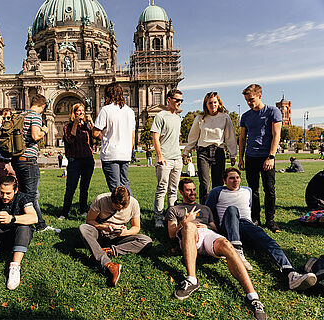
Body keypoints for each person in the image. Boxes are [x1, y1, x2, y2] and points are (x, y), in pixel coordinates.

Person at [166, 178, 266, 319]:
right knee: (189, 226)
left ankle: (253, 297)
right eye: (188, 190)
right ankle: (192, 280)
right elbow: (171, 234)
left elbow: (214, 227)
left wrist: (206, 226)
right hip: (189, 235)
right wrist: (185, 222)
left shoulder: (205, 208)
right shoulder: (174, 209)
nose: (192, 193)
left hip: (207, 234)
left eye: (194, 190)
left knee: (226, 245)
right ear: (181, 192)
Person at [206, 167, 317, 291]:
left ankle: (290, 273)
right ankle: (237, 251)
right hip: (228, 226)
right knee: (232, 209)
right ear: (224, 180)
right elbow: (207, 210)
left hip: (247, 225)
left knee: (270, 242)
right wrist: (211, 225)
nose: (235, 180)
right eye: (231, 178)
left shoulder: (247, 191)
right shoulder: (217, 191)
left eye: (237, 177)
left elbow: (249, 209)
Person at [79, 186, 152, 286]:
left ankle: (110, 251)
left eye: (122, 208)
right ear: (111, 199)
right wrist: (104, 227)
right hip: (100, 233)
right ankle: (108, 264)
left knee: (146, 240)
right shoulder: (101, 199)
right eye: (116, 207)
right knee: (83, 228)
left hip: (119, 236)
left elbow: (136, 227)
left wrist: (125, 233)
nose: (119, 209)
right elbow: (89, 221)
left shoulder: (134, 203)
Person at [11, 94, 59, 233]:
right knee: (30, 195)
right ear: (43, 106)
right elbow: (35, 135)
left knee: (24, 192)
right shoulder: (35, 116)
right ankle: (38, 225)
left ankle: (22, 221)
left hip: (17, 159)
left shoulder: (21, 115)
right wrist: (44, 130)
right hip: (28, 160)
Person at [239, 84, 282, 232]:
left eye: (251, 99)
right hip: (251, 156)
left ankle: (270, 220)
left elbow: (276, 135)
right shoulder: (245, 116)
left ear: (260, 96)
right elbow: (242, 138)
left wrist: (271, 156)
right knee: (253, 190)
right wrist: (241, 158)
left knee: (269, 189)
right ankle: (255, 218)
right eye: (246, 100)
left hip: (266, 156)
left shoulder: (273, 112)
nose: (249, 103)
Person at [183, 92, 237, 204]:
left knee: (218, 183)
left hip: (218, 151)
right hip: (203, 152)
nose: (213, 105)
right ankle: (204, 209)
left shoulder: (225, 117)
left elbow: (230, 137)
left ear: (219, 103)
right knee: (204, 183)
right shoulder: (200, 117)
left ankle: (218, 209)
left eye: (215, 102)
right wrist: (186, 151)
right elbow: (193, 136)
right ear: (206, 104)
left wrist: (233, 155)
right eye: (210, 103)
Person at [93, 83, 135, 195]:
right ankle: (132, 209)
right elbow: (132, 135)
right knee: (125, 184)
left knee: (115, 188)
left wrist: (105, 137)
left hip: (111, 153)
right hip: (125, 154)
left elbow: (95, 132)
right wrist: (129, 151)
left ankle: (123, 211)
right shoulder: (130, 112)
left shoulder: (106, 110)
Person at [150, 89, 183, 227]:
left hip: (177, 159)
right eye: (177, 100)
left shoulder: (178, 117)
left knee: (173, 190)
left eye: (181, 100)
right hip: (165, 159)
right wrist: (160, 156)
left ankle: (171, 216)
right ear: (168, 99)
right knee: (162, 189)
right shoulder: (160, 116)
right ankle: (158, 218)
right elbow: (155, 137)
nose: (179, 103)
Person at [59, 103, 95, 220]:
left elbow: (97, 136)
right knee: (71, 187)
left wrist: (92, 123)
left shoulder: (87, 126)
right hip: (74, 160)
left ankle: (83, 209)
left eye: (82, 111)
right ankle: (65, 212)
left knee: (84, 187)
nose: (81, 113)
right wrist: (75, 124)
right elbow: (70, 139)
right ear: (73, 113)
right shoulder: (67, 126)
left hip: (87, 159)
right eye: (78, 111)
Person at [0, 108, 16, 187]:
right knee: (1, 184)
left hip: (13, 162)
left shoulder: (14, 131)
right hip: (1, 162)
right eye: (3, 118)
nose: (5, 120)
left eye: (8, 118)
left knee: (15, 184)